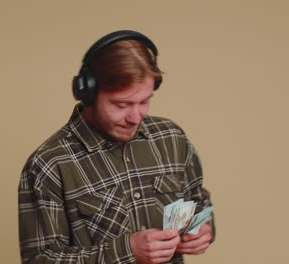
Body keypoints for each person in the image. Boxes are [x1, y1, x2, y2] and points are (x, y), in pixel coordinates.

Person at [18, 30, 215, 264]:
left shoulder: (171, 137)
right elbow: (39, 260)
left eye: (144, 101)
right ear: (89, 94)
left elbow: (197, 200)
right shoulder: (49, 164)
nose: (135, 116)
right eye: (122, 104)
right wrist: (126, 251)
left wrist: (201, 230)